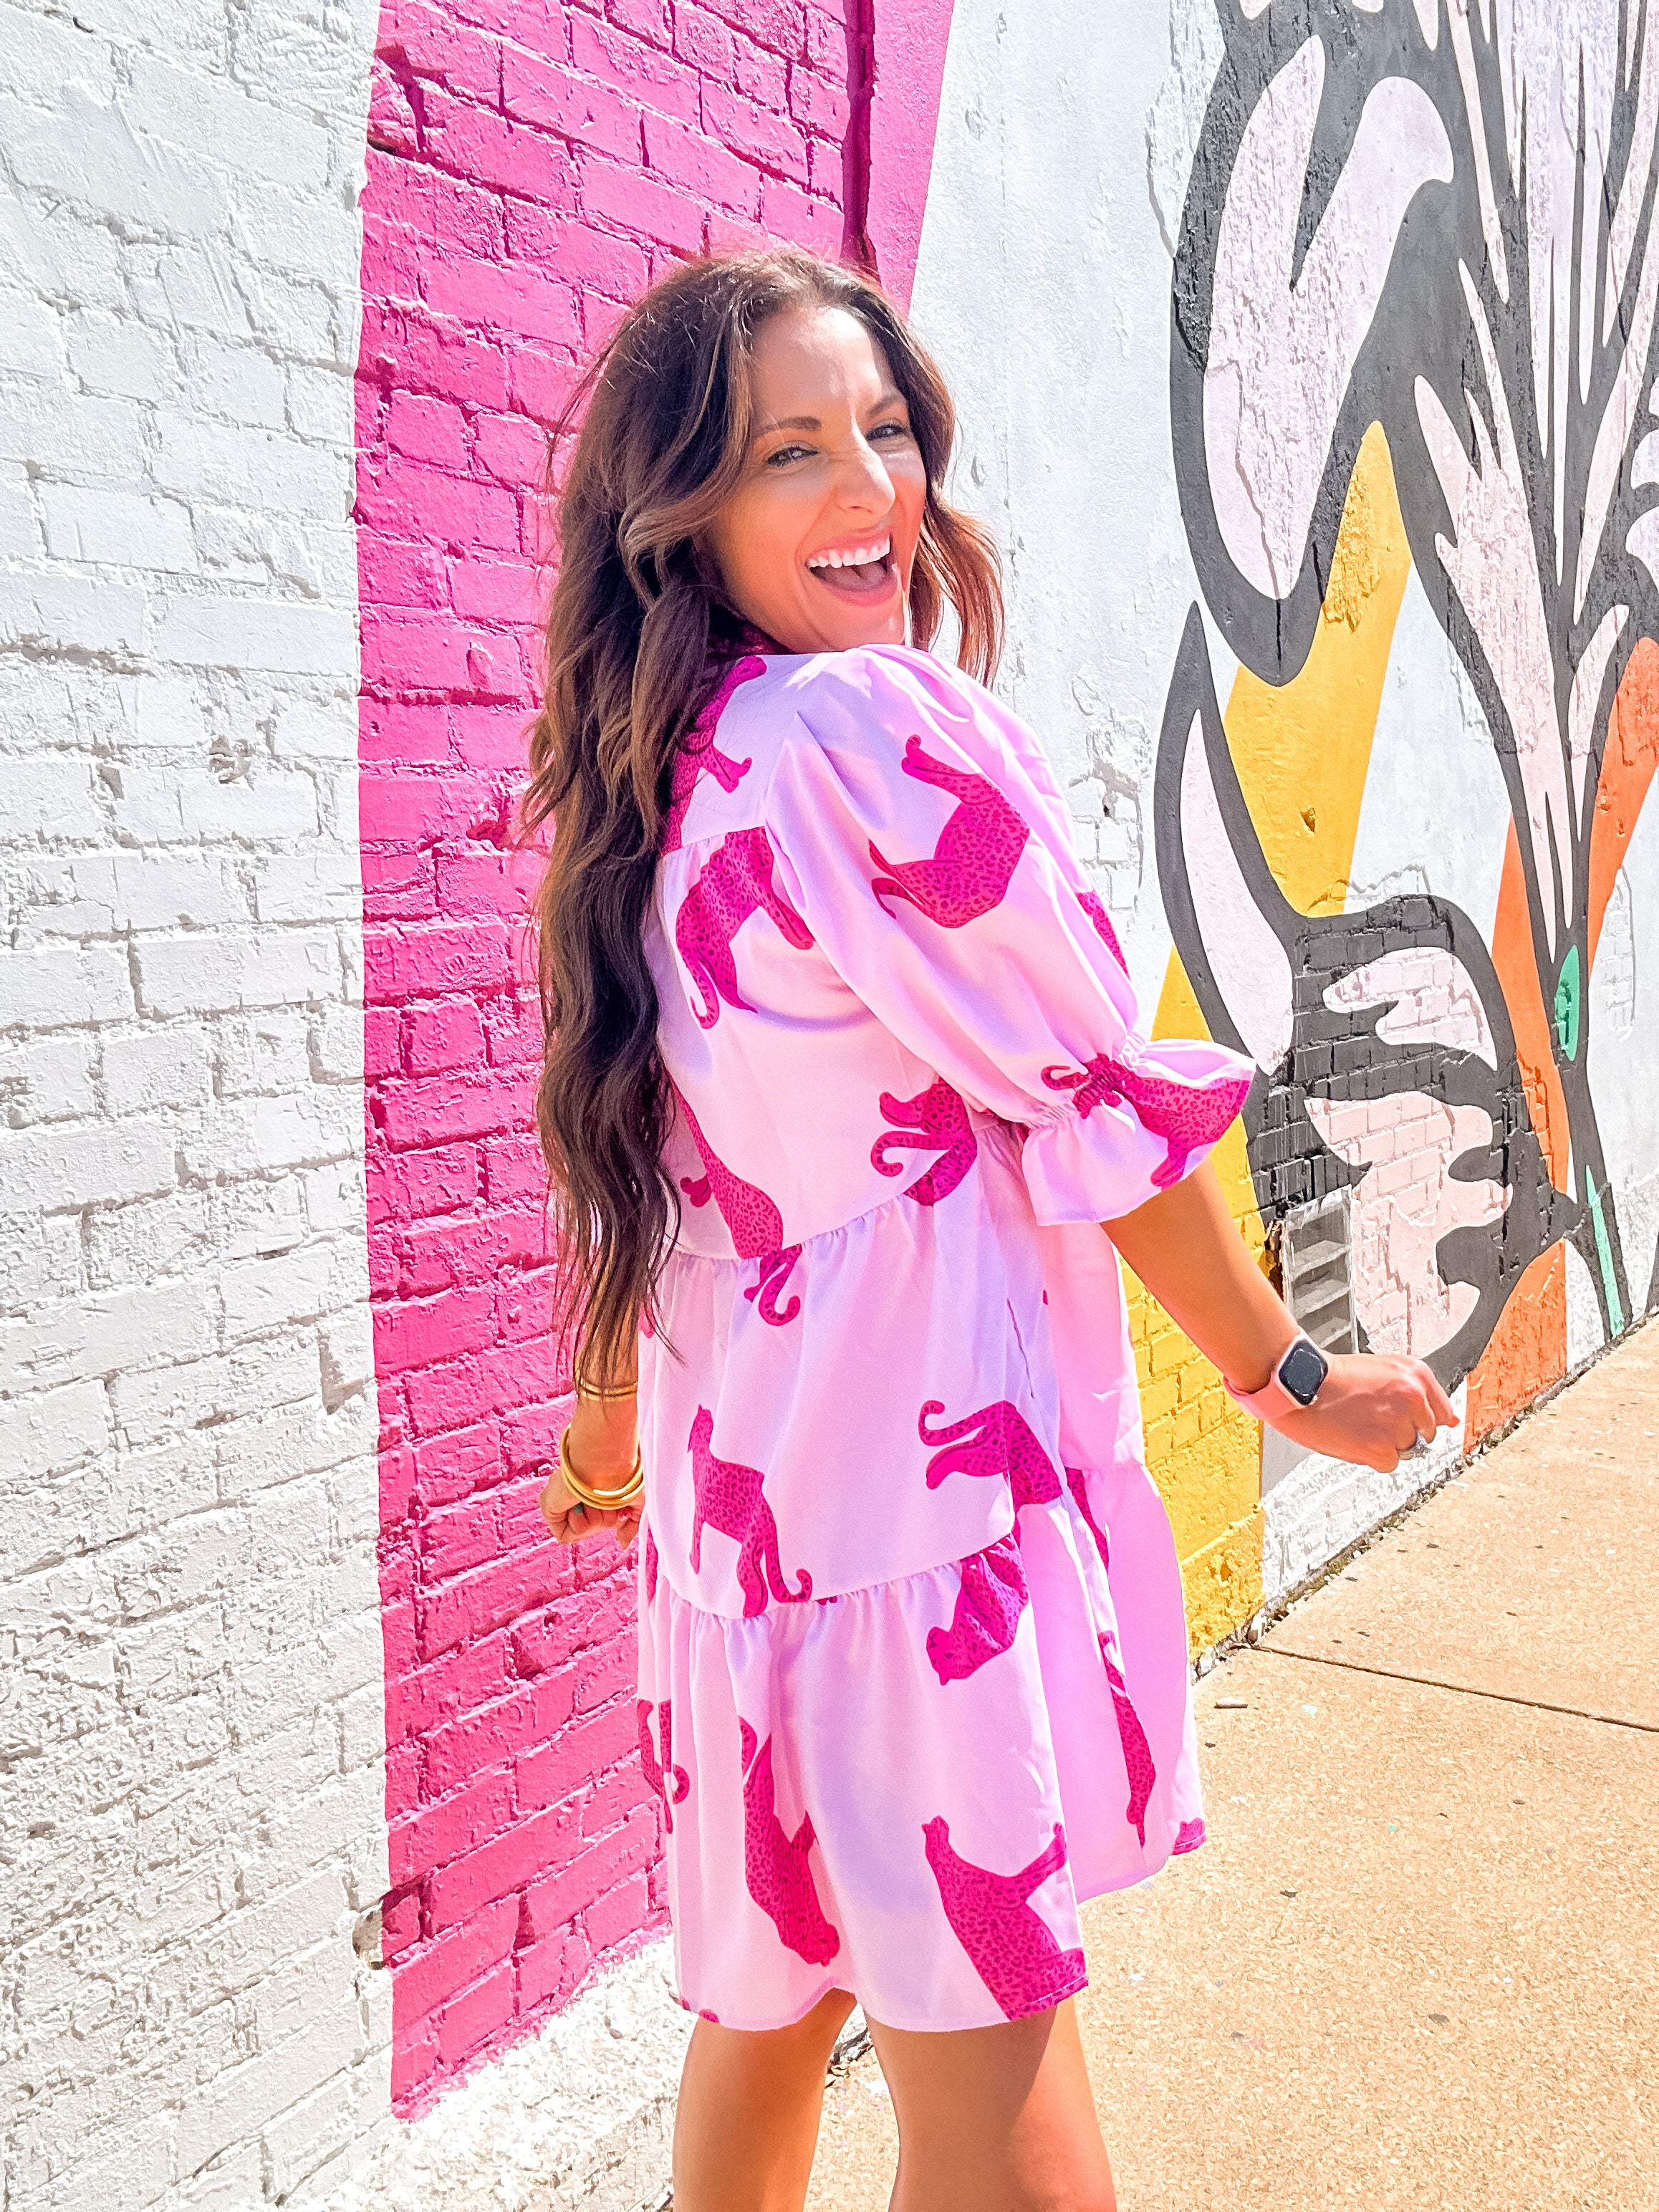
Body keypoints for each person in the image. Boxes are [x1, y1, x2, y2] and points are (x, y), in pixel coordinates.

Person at [525, 247, 1454, 2212]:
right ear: (678, 512)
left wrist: (606, 1421)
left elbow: (643, 1152)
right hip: (908, 1536)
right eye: (791, 452)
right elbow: (1094, 1107)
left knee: (766, 2013)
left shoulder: (665, 773)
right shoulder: (873, 729)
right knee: (1018, 2153)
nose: (869, 488)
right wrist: (1280, 1371)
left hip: (749, 1530)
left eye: (886, 432)